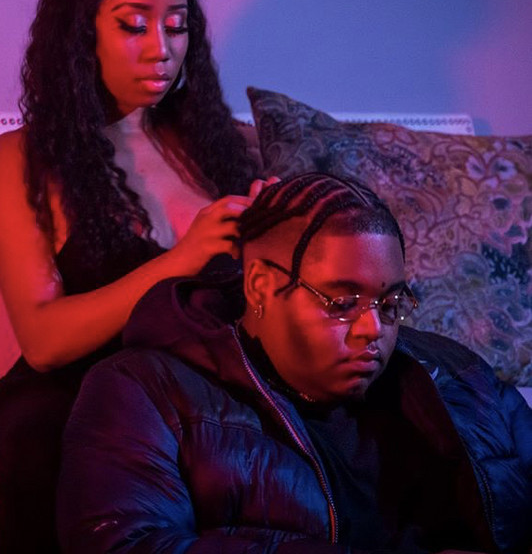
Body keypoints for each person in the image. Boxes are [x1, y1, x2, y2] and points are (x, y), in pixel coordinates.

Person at [57, 173, 532, 554]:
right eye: (342, 303)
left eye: (389, 304)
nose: (373, 328)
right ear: (260, 287)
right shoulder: (143, 391)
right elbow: (123, 542)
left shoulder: (455, 375)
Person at [0, 0, 268, 551]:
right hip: (74, 409)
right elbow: (43, 341)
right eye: (132, 25)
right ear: (82, 32)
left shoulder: (221, 150)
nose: (160, 49)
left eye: (176, 26)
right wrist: (184, 259)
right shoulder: (21, 160)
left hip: (204, 407)